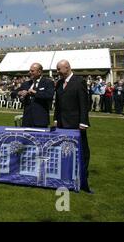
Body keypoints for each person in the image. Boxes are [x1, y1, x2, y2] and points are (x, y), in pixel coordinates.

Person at [54, 60, 91, 193]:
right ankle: (66, 173)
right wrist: (55, 119)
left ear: (67, 67)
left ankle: (83, 174)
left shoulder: (78, 81)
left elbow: (84, 103)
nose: (57, 71)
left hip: (76, 123)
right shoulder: (58, 83)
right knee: (64, 149)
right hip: (62, 123)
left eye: (59, 69)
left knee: (82, 150)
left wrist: (83, 121)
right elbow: (58, 104)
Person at [17, 63, 54, 128]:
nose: (30, 72)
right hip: (27, 120)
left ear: (39, 72)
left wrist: (35, 92)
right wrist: (20, 93)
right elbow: (13, 93)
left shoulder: (48, 82)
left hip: (40, 120)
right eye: (30, 71)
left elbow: (49, 96)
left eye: (32, 71)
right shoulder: (26, 83)